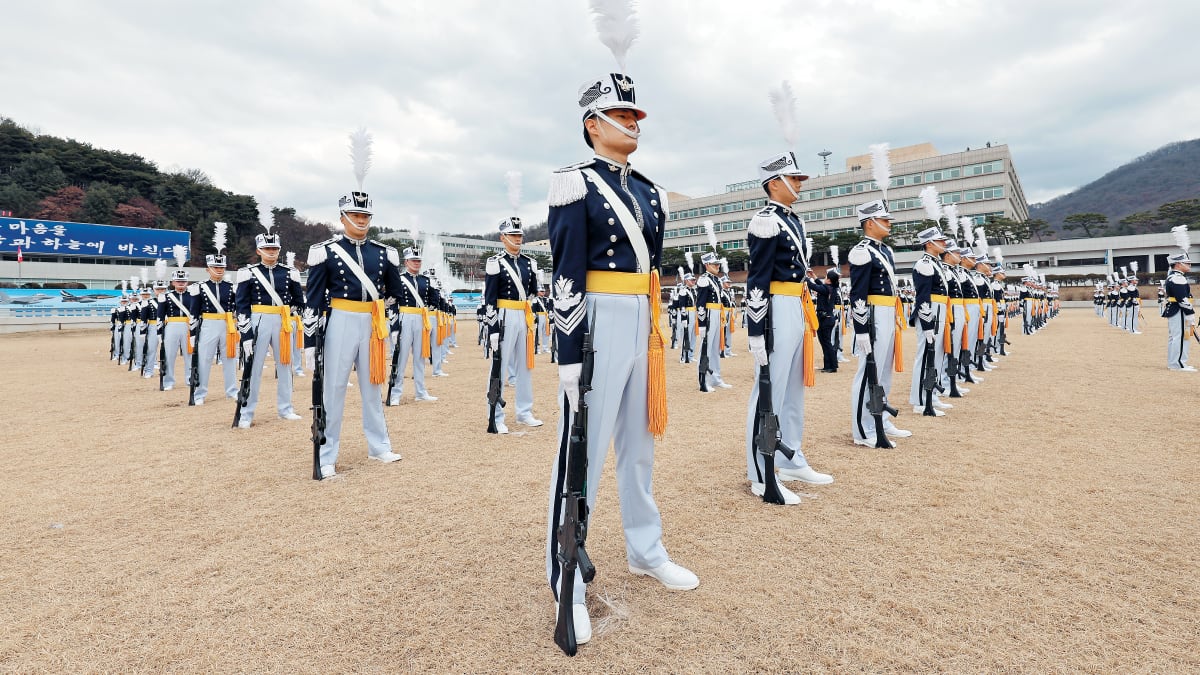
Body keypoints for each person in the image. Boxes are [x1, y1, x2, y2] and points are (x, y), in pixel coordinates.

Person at [546, 69, 698, 645]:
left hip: (641, 318)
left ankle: (645, 549)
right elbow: (565, 271)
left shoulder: (651, 190)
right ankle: (566, 578)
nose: (634, 124)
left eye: (636, 116)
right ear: (593, 125)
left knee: (639, 447)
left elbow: (651, 269)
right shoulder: (574, 184)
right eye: (622, 116)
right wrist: (567, 351)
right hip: (596, 322)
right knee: (578, 454)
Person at [302, 160, 405, 477]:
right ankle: (327, 453)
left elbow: (395, 292)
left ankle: (379, 447)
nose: (360, 221)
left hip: (372, 324)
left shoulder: (383, 252)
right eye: (355, 215)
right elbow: (314, 299)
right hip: (341, 320)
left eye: (365, 216)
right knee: (333, 389)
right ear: (342, 217)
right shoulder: (326, 251)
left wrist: (388, 321)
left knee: (373, 387)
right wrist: (309, 341)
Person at [742, 151, 835, 504]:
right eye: (793, 178)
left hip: (796, 304)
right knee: (769, 391)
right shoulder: (765, 221)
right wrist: (755, 329)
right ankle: (759, 471)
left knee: (793, 390)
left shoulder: (793, 220)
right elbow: (757, 279)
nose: (799, 184)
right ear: (774, 183)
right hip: (776, 308)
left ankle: (790, 456)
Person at [849, 199, 908, 447]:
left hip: (887, 312)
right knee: (867, 373)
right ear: (870, 223)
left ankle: (880, 419)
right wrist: (861, 329)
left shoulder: (885, 250)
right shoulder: (862, 251)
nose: (888, 224)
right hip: (872, 314)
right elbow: (858, 293)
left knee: (883, 371)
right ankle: (863, 429)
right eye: (884, 220)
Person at [234, 228, 305, 428]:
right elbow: (241, 304)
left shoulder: (290, 272)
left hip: (282, 322)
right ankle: (247, 412)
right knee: (253, 368)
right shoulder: (248, 273)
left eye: (274, 248)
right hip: (258, 319)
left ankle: (286, 408)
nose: (271, 251)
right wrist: (246, 333)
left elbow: (299, 301)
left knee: (285, 366)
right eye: (267, 248)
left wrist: (290, 314)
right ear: (258, 251)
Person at [483, 217, 543, 432]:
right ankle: (496, 415)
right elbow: (489, 298)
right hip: (504, 316)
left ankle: (524, 412)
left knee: (525, 367)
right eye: (513, 235)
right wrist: (492, 328)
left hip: (524, 315)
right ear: (503, 238)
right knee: (499, 365)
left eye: (519, 235)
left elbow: (534, 292)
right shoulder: (495, 262)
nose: (517, 239)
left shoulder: (529, 262)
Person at [387, 245, 439, 405]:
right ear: (406, 261)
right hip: (404, 317)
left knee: (420, 357)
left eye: (418, 260)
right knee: (401, 357)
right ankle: (395, 393)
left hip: (420, 319)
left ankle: (421, 392)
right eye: (413, 260)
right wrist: (394, 327)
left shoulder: (426, 280)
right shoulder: (400, 279)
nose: (416, 263)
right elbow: (392, 303)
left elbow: (433, 301)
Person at [908, 226, 952, 415]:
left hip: (940, 310)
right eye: (940, 241)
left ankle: (931, 395)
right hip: (930, 312)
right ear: (929, 244)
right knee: (926, 355)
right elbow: (923, 297)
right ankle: (919, 399)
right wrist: (927, 323)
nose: (944, 243)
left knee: (937, 356)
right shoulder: (924, 264)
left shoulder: (936, 263)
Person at [188, 251, 238, 405]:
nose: (219, 270)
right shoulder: (199, 287)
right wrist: (192, 334)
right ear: (207, 269)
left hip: (227, 324)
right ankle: (200, 393)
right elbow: (194, 312)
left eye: (221, 267)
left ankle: (232, 391)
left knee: (230, 358)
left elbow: (237, 308)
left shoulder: (231, 287)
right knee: (204, 359)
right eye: (215, 267)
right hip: (208, 324)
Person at [694, 251, 730, 390]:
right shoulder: (704, 280)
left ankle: (715, 379)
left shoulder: (715, 279)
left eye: (718, 264)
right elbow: (700, 304)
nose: (718, 266)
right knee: (706, 348)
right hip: (708, 315)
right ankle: (703, 381)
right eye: (715, 264)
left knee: (715, 348)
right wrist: (702, 324)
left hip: (716, 313)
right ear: (707, 265)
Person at [159, 268, 194, 391]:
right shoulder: (166, 296)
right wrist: (159, 333)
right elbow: (160, 316)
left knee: (189, 354)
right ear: (173, 282)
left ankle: (190, 379)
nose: (181, 283)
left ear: (187, 282)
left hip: (188, 326)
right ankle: (168, 381)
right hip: (172, 326)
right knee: (169, 355)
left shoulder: (192, 295)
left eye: (183, 281)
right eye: (178, 281)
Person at [1163, 249, 1195, 371]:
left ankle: (1174, 363)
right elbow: (1182, 299)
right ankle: (1179, 364)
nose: (1189, 265)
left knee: (1176, 337)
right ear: (1178, 264)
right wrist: (1190, 313)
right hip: (1179, 310)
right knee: (1180, 337)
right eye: (1186, 263)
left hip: (1176, 309)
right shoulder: (1178, 278)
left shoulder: (1174, 276)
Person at [813, 267, 838, 373]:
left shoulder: (826, 288)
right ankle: (828, 365)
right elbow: (820, 285)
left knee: (826, 343)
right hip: (826, 318)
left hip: (825, 319)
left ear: (828, 280)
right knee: (825, 343)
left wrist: (804, 278)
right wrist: (813, 276)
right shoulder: (831, 288)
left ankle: (832, 366)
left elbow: (815, 286)